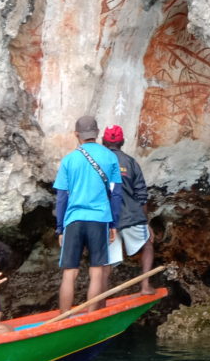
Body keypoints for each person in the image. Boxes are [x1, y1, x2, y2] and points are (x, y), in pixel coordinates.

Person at [54, 114, 122, 312]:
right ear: (97, 133)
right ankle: (91, 317)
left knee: (69, 273)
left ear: (77, 134)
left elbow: (61, 197)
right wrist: (113, 224)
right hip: (99, 219)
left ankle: (63, 319)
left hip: (73, 220)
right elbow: (115, 194)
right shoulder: (110, 157)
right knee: (97, 270)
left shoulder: (69, 160)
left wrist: (60, 228)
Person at [101, 125, 155, 295]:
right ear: (122, 142)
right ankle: (145, 285)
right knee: (147, 245)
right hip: (132, 215)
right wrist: (146, 223)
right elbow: (141, 194)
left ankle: (99, 301)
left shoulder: (98, 162)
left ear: (103, 142)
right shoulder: (131, 162)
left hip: (108, 219)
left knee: (106, 262)